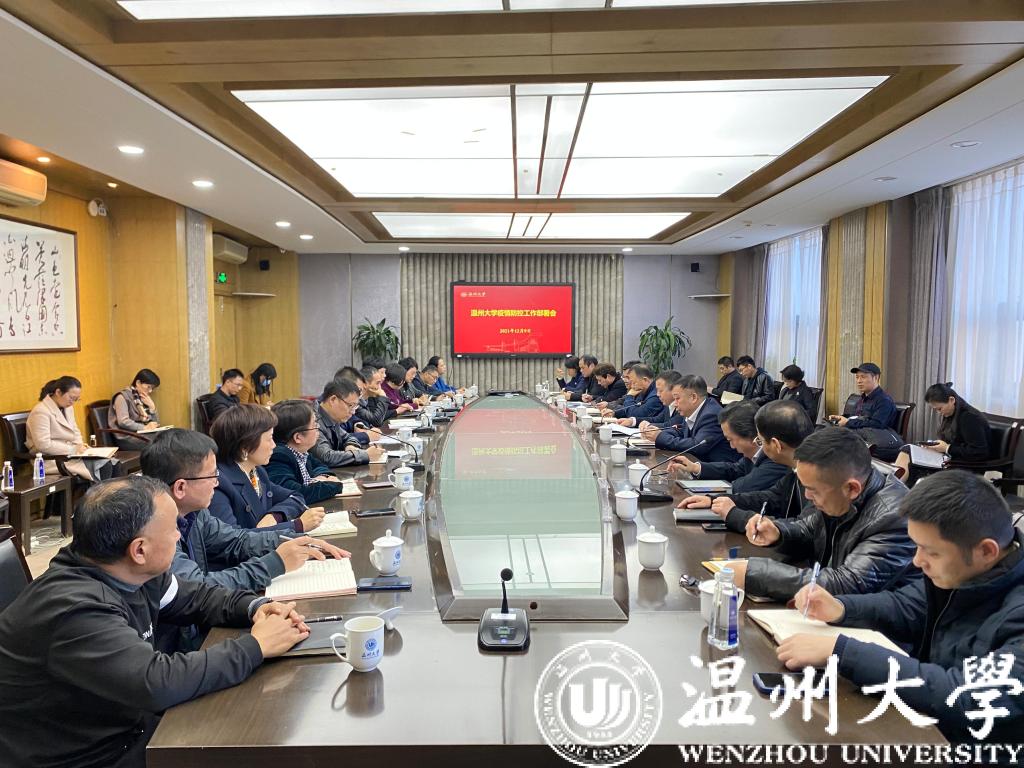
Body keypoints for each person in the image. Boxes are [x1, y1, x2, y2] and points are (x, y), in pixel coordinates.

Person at [0, 475, 311, 768]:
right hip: (84, 756)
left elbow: (197, 598)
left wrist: (255, 608)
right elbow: (156, 682)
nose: (178, 535)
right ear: (139, 549)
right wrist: (256, 646)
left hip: (126, 728)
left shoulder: (132, 571)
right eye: (172, 528)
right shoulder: (74, 608)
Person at [780, 470, 1024, 746]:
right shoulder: (964, 571)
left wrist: (844, 652)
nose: (917, 561)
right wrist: (840, 608)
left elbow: (968, 696)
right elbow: (906, 606)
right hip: (929, 727)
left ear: (987, 551)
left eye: (931, 551)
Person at [140, 429, 347, 650]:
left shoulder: (194, 513)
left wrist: (293, 541)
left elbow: (236, 540)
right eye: (212, 476)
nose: (217, 483)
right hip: (178, 648)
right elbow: (198, 591)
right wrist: (275, 563)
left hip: (201, 628)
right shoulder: (155, 534)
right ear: (181, 487)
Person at [731, 427, 916, 601]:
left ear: (852, 488)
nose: (806, 496)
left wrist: (755, 573)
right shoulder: (839, 493)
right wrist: (778, 532)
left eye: (813, 490)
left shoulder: (894, 517)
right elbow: (808, 529)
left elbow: (847, 584)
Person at [677, 400, 815, 531]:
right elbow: (772, 497)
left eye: (760, 441)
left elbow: (805, 528)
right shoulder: (795, 469)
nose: (759, 446)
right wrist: (713, 500)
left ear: (776, 445)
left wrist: (736, 515)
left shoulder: (814, 475)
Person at [209, 404, 323, 533]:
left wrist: (275, 516)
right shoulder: (218, 483)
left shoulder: (256, 472)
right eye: (269, 439)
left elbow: (295, 497)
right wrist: (297, 526)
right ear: (245, 446)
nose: (274, 445)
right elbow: (232, 538)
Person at [669, 401, 790, 494]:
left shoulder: (775, 458)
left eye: (730, 440)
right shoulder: (752, 455)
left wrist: (711, 494)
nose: (731, 446)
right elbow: (734, 469)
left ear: (750, 435)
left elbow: (744, 487)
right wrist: (695, 467)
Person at [894, 382, 990, 482]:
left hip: (964, 465)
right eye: (936, 410)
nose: (939, 413)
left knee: (911, 464)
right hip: (950, 459)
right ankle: (893, 486)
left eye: (940, 409)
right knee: (907, 449)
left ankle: (893, 487)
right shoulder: (952, 413)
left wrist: (947, 448)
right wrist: (937, 446)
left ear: (951, 400)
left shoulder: (969, 418)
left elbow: (979, 452)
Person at [268, 399, 346, 503]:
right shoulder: (278, 457)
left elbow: (319, 465)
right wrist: (335, 486)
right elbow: (295, 494)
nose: (318, 427)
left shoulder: (301, 451)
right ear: (298, 437)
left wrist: (323, 476)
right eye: (314, 425)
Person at [647, 375, 740, 462]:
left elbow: (697, 446)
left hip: (718, 469)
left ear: (693, 397)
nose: (674, 404)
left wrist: (661, 437)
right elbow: (681, 432)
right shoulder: (693, 410)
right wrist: (658, 433)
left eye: (677, 398)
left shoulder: (711, 415)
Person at [828, 362, 901, 461]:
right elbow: (855, 417)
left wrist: (848, 422)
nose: (859, 381)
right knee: (823, 429)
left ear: (876, 377)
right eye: (857, 377)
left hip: (874, 441)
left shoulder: (884, 400)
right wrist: (841, 418)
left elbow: (877, 424)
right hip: (858, 438)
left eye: (863, 377)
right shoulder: (862, 399)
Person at [311, 378, 385, 469]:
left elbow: (348, 437)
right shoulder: (312, 420)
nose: (353, 412)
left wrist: (350, 445)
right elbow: (326, 457)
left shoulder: (331, 417)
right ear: (333, 400)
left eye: (355, 406)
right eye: (350, 405)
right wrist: (365, 455)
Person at [26, 375, 89, 476]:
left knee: (107, 461)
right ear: (58, 392)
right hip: (50, 460)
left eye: (76, 399)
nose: (72, 402)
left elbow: (75, 430)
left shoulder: (68, 408)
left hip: (69, 455)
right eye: (71, 398)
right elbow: (43, 444)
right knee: (95, 466)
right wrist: (73, 450)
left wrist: (81, 447)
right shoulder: (41, 411)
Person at [110, 368, 162, 450]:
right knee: (161, 440)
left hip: (141, 435)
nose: (150, 391)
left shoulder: (142, 398)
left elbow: (156, 424)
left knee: (166, 435)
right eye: (148, 387)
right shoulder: (122, 397)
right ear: (138, 383)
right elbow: (123, 422)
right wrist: (144, 427)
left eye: (152, 388)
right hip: (127, 437)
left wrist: (152, 407)